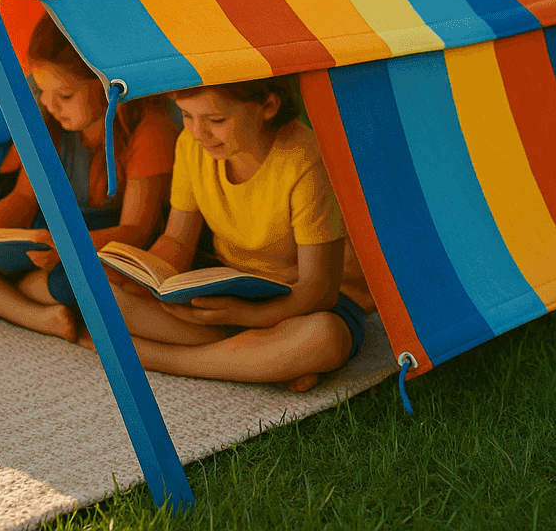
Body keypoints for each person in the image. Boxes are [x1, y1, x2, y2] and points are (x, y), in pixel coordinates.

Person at [0, 13, 176, 341]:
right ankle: (25, 306)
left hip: (94, 247)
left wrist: (68, 247)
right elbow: (23, 198)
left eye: (65, 95)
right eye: (42, 90)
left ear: (109, 85)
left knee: (77, 283)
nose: (50, 104)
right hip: (38, 237)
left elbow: (138, 230)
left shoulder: (147, 131)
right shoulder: (48, 122)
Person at [92, 77, 372, 391]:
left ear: (268, 106)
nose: (198, 132)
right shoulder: (191, 145)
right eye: (186, 115)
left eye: (216, 120)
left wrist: (248, 316)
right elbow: (177, 241)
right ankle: (262, 360)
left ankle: (160, 358)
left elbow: (318, 289)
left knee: (324, 337)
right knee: (105, 297)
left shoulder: (305, 160)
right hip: (230, 291)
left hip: (303, 303)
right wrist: (145, 279)